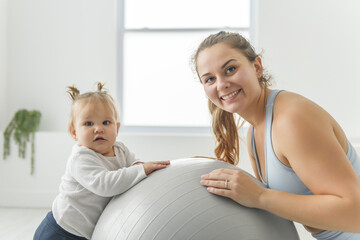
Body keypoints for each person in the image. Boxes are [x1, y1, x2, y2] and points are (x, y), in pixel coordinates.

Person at [195, 31, 360, 239]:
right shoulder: (254, 134)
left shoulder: (291, 120)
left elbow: (356, 213)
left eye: (230, 69)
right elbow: (275, 206)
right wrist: (205, 172)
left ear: (257, 67)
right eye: (209, 79)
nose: (221, 84)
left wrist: (260, 196)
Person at [34, 83, 170, 240]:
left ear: (117, 128)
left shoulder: (120, 149)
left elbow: (135, 164)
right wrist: (141, 171)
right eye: (89, 123)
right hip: (62, 231)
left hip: (86, 233)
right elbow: (105, 184)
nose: (98, 128)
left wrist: (144, 168)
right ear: (74, 132)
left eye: (106, 122)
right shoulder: (81, 158)